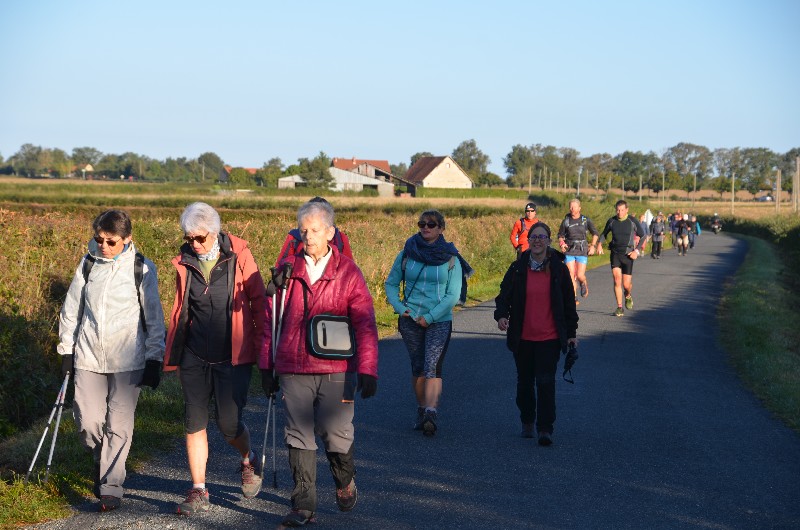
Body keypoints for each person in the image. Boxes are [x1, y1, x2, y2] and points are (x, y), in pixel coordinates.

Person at [259, 199, 379, 527]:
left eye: (314, 230)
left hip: (337, 368)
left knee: (335, 432)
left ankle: (344, 480)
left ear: (330, 232)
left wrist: (368, 368)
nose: (308, 236)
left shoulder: (348, 272)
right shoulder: (286, 271)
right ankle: (303, 505)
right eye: (303, 231)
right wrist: (266, 366)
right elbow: (271, 321)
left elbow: (365, 323)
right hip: (294, 365)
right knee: (298, 434)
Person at [163, 202, 268, 515]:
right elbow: (181, 309)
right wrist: (173, 354)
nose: (194, 244)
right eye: (189, 238)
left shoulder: (239, 256)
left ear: (215, 232)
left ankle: (249, 459)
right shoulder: (185, 261)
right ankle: (198, 490)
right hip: (194, 355)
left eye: (200, 238)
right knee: (194, 421)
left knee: (228, 425)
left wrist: (264, 352)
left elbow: (260, 304)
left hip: (232, 357)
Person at [57, 209, 166, 512]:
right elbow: (71, 309)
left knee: (119, 426)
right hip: (88, 356)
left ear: (127, 239)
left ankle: (111, 488)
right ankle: (101, 460)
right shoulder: (88, 263)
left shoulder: (142, 268)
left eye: (111, 241)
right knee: (88, 421)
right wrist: (66, 351)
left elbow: (154, 318)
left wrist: (154, 359)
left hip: (129, 361)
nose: (103, 246)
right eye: (99, 239)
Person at [385, 210, 470, 438]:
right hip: (410, 319)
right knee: (418, 366)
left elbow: (453, 295)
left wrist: (430, 317)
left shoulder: (451, 258)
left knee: (432, 365)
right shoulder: (407, 253)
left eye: (431, 224)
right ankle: (422, 408)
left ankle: (431, 413)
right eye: (421, 223)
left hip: (439, 319)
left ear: (441, 229)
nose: (425, 227)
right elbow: (391, 283)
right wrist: (401, 308)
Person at [494, 222, 578, 446]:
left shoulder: (559, 269)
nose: (537, 241)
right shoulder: (518, 268)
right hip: (522, 337)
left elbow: (569, 304)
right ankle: (527, 420)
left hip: (549, 338)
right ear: (528, 241)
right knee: (524, 383)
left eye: (542, 237)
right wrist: (501, 316)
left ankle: (545, 428)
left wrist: (571, 333)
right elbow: (503, 297)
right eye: (534, 237)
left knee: (545, 382)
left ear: (549, 241)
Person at [597, 200, 645, 317]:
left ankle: (627, 295)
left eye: (622, 210)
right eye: (618, 210)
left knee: (626, 285)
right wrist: (599, 244)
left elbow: (643, 236)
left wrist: (636, 251)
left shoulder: (632, 221)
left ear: (626, 210)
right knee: (617, 280)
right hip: (615, 254)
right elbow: (604, 234)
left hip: (628, 255)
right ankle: (619, 307)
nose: (619, 212)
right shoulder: (612, 221)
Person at [275, 196, 353, 265]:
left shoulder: (340, 238)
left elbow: (349, 267)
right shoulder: (293, 237)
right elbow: (281, 267)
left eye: (315, 230)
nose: (308, 236)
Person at [556, 198, 600, 305]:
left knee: (580, 275)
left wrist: (593, 246)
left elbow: (595, 233)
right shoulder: (566, 221)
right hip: (569, 250)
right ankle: (574, 296)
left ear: (579, 208)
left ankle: (583, 282)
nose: (572, 209)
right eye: (570, 207)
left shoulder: (585, 220)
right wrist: (562, 243)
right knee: (570, 274)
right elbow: (560, 235)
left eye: (574, 207)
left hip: (582, 249)